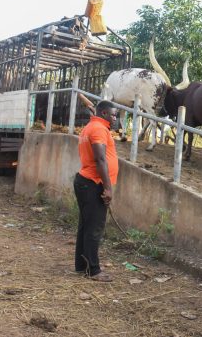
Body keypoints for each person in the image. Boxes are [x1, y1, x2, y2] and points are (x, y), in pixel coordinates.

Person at [74, 100, 119, 282]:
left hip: (85, 181)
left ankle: (81, 265)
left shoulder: (91, 127)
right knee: (94, 228)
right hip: (93, 183)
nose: (115, 118)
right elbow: (100, 159)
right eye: (113, 114)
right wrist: (108, 188)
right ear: (104, 113)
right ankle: (93, 270)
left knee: (85, 225)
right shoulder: (99, 129)